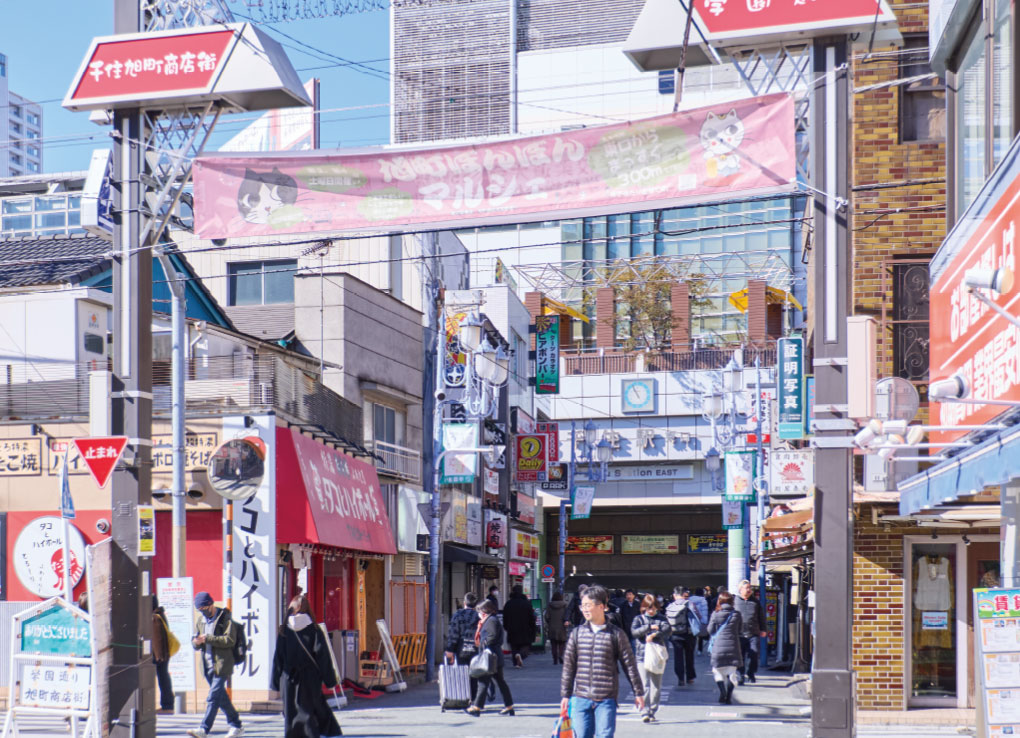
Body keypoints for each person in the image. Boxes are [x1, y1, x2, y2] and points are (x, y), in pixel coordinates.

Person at [560, 584, 645, 738]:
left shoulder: (616, 634)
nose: (584, 609)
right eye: (582, 605)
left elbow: (629, 665)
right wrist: (566, 695)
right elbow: (568, 666)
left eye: (588, 605)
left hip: (606, 699)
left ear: (602, 606)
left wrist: (638, 692)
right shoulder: (577, 634)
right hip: (580, 697)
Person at [270, 595, 343, 738]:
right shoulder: (314, 630)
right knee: (308, 711)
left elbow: (278, 658)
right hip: (309, 678)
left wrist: (275, 682)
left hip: (288, 678)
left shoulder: (284, 630)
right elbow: (323, 657)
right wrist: (330, 680)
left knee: (291, 713)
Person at [187, 592, 243, 738]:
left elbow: (229, 640)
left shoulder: (225, 618)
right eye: (200, 609)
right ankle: (236, 725)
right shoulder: (201, 621)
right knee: (221, 698)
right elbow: (195, 642)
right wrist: (196, 642)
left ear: (211, 604)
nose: (203, 611)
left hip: (222, 665)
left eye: (204, 608)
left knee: (212, 697)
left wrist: (208, 638)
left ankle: (204, 729)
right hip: (207, 666)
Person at [466, 599, 515, 717]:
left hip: (490, 656)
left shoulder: (491, 621)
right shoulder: (490, 620)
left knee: (483, 681)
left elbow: (492, 636)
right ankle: (509, 706)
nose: (478, 614)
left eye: (479, 611)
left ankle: (477, 707)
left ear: (483, 611)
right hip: (494, 656)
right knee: (499, 682)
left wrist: (484, 643)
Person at [630, 594, 671, 723]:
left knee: (656, 685)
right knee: (644, 684)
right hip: (642, 655)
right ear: (644, 608)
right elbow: (634, 632)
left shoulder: (661, 618)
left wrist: (655, 634)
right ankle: (644, 710)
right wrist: (648, 628)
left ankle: (652, 710)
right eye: (648, 608)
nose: (651, 611)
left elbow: (667, 630)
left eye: (653, 608)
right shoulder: (638, 619)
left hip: (657, 655)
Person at [708, 592, 744, 705]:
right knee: (732, 673)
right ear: (731, 601)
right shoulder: (736, 614)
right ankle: (728, 697)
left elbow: (710, 630)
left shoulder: (715, 614)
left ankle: (722, 692)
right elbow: (740, 630)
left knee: (718, 671)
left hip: (718, 647)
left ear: (720, 601)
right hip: (733, 646)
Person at [445, 592, 482, 697]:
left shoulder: (457, 615)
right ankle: (474, 697)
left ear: (464, 602)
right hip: (475, 647)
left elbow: (453, 633)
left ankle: (463, 695)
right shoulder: (478, 616)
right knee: (474, 673)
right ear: (475, 605)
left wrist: (450, 649)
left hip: (461, 648)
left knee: (462, 672)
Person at [734, 580, 766, 684]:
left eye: (749, 588)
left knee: (754, 653)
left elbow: (761, 616)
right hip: (739, 634)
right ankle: (740, 675)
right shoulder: (735, 601)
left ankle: (751, 672)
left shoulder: (755, 602)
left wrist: (763, 629)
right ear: (740, 590)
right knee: (740, 656)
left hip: (753, 633)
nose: (749, 590)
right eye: (746, 588)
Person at [665, 587, 697, 686]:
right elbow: (697, 616)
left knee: (678, 657)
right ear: (683, 594)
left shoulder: (670, 606)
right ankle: (690, 677)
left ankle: (680, 678)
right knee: (689, 656)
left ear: (675, 595)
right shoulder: (689, 604)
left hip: (675, 634)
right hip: (688, 634)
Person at [502, 584, 536, 668]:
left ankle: (516, 663)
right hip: (525, 628)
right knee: (525, 646)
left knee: (514, 646)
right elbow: (531, 617)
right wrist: (532, 627)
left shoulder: (508, 603)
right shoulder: (526, 603)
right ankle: (520, 655)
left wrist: (506, 627)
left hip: (512, 629)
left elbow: (505, 617)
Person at [152, 595, 175, 713]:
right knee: (163, 677)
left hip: (159, 654)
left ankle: (167, 705)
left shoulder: (154, 617)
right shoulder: (160, 614)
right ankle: (168, 705)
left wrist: (158, 655)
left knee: (162, 678)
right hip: (163, 652)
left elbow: (157, 638)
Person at [545, 592, 569, 665]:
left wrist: (549, 622)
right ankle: (560, 655)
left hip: (552, 627)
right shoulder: (565, 605)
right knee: (562, 643)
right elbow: (567, 615)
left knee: (554, 644)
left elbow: (547, 616)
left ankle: (555, 659)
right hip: (562, 627)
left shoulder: (549, 605)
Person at [690, 588, 711, 654]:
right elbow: (705, 611)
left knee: (692, 635)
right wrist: (705, 621)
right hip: (701, 620)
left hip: (692, 619)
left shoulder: (690, 600)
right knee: (701, 636)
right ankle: (700, 650)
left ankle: (691, 649)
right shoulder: (703, 600)